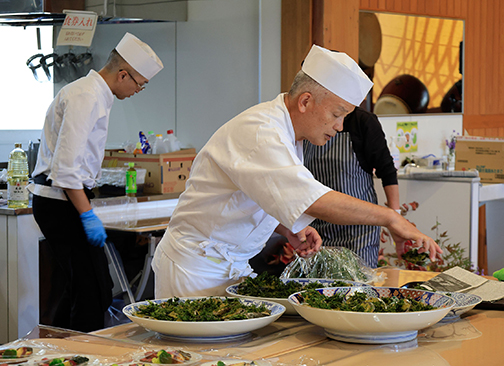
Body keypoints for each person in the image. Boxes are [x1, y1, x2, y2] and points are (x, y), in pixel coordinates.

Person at [152, 44, 442, 298]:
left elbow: (252, 195)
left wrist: (287, 228)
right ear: (305, 101)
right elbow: (316, 200)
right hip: (195, 270)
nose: (339, 127)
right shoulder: (262, 131)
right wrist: (391, 217)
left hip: (230, 267)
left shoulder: (287, 133)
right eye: (337, 114)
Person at [28, 32, 163, 332]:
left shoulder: (96, 94)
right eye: (140, 84)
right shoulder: (86, 96)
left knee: (82, 288)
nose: (139, 90)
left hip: (65, 200)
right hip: (59, 202)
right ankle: (82, 357)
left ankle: (57, 350)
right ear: (123, 73)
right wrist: (87, 214)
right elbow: (65, 170)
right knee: (93, 293)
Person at [303, 107, 401, 268]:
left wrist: (395, 219)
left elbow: (387, 170)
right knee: (316, 287)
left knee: (358, 287)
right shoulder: (309, 120)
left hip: (358, 231)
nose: (338, 126)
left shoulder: (362, 121)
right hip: (314, 227)